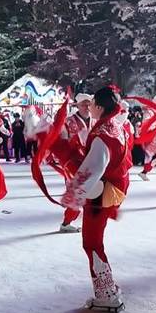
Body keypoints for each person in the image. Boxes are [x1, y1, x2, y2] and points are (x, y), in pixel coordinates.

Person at [60, 86, 133, 312]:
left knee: (91, 242)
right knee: (94, 241)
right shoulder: (115, 125)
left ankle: (107, 294)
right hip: (109, 187)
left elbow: (93, 168)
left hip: (100, 193)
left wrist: (72, 196)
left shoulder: (103, 133)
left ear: (99, 107)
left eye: (91, 104)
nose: (88, 107)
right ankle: (107, 288)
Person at [58, 93, 93, 232]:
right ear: (77, 105)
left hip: (92, 161)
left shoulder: (95, 120)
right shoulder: (68, 122)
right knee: (78, 192)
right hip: (73, 162)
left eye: (89, 104)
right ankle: (66, 223)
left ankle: (87, 221)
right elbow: (62, 143)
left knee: (91, 192)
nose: (86, 106)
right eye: (83, 104)